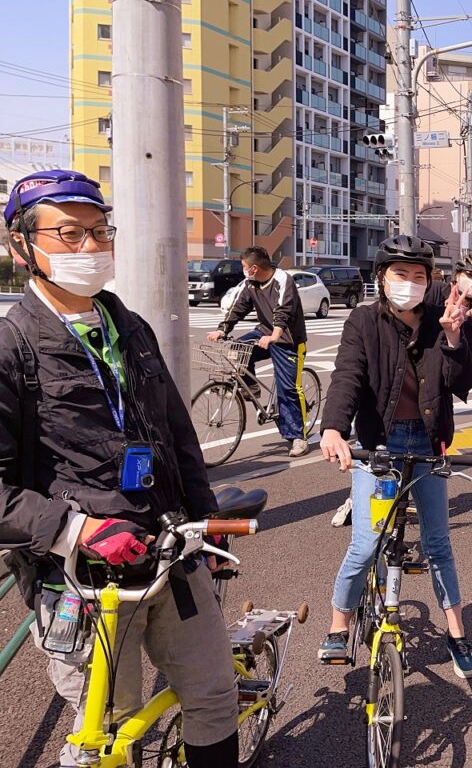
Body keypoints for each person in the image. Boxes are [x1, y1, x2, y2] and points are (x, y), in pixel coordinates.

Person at [0, 170, 239, 767]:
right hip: (82, 574)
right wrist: (74, 529)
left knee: (213, 697)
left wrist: (205, 523)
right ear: (20, 246)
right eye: (68, 234)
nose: (89, 247)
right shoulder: (11, 348)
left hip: (171, 549)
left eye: (99, 232)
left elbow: (178, 435)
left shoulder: (129, 326)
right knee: (107, 724)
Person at [318, 235, 472, 677]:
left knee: (437, 544)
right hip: (380, 445)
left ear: (429, 281)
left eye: (418, 275)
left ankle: (457, 632)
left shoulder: (443, 319)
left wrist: (452, 337)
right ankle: (338, 625)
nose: (409, 282)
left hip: (428, 443)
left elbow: (461, 381)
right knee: (367, 543)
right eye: (400, 274)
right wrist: (333, 427)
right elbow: (347, 375)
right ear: (381, 278)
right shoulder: (363, 322)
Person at [207, 246, 309, 457]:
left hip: (288, 339)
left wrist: (274, 335)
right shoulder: (250, 283)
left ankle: (298, 437)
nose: (243, 270)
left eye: (244, 266)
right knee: (237, 348)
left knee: (289, 389)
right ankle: (251, 387)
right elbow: (238, 307)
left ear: (254, 268)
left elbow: (284, 310)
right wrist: (222, 329)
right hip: (263, 332)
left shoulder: (283, 280)